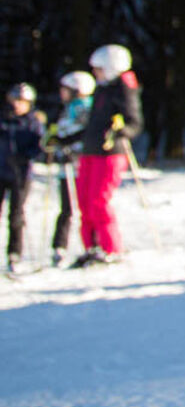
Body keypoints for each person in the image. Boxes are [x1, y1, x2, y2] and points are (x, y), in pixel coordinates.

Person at [72, 44, 142, 267]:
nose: (95, 73)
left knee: (98, 200)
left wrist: (121, 129)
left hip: (109, 152)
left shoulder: (123, 87)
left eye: (99, 69)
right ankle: (91, 247)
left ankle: (111, 248)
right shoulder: (102, 89)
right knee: (84, 200)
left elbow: (134, 122)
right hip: (90, 150)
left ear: (112, 68)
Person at [46, 71, 93, 263]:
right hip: (65, 165)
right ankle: (59, 246)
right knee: (66, 208)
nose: (61, 93)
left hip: (80, 165)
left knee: (83, 206)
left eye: (65, 90)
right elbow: (59, 131)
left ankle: (91, 244)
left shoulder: (85, 109)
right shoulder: (67, 109)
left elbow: (84, 134)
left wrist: (66, 142)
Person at [2, 83, 46, 275]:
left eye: (22, 102)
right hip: (1, 171)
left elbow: (39, 146)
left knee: (16, 214)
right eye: (15, 101)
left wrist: (25, 156)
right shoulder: (3, 119)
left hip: (20, 174)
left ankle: (14, 253)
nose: (18, 105)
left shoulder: (33, 122)